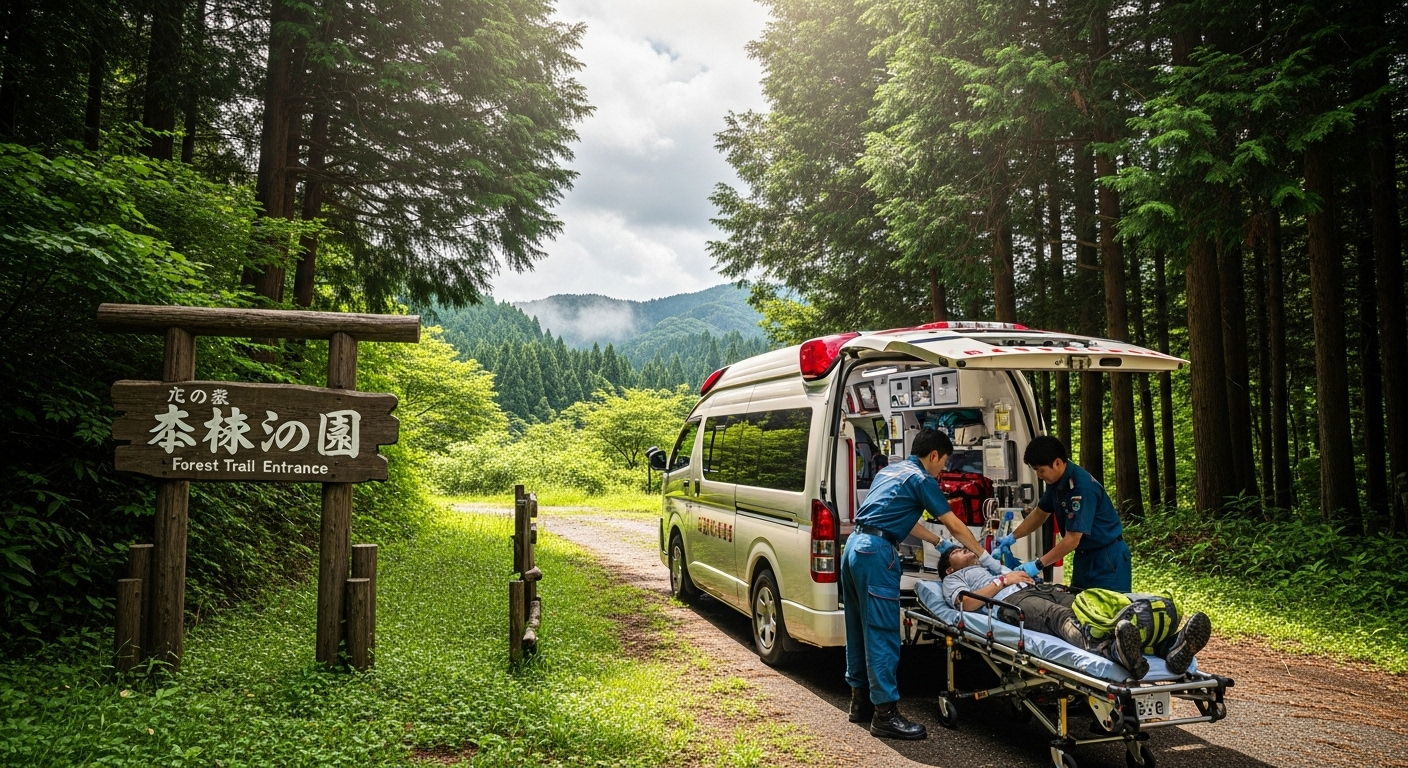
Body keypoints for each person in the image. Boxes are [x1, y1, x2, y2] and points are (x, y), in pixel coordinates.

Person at [842, 428, 986, 740]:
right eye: (943, 462)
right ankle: (885, 715)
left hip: (854, 547)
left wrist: (940, 544)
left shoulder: (891, 471)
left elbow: (904, 518)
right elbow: (955, 524)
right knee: (881, 633)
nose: (943, 469)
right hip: (876, 553)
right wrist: (983, 555)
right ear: (933, 455)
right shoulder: (922, 479)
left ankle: (860, 703)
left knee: (856, 626)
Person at [937, 547, 1212, 679]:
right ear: (950, 568)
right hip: (1014, 600)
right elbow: (966, 604)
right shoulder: (953, 579)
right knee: (1058, 617)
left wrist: (1007, 570)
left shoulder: (988, 566)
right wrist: (1002, 582)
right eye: (957, 552)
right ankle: (1113, 651)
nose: (964, 550)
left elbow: (979, 548)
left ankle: (1168, 647)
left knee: (1093, 605)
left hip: (1042, 588)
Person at [996, 436, 1132, 592]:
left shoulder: (1081, 488)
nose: (1039, 476)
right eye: (1036, 471)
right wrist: (1012, 537)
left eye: (1041, 470)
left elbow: (1072, 539)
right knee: (1080, 605)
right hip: (1084, 556)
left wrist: (1037, 565)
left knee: (1112, 610)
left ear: (1057, 463)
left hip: (1107, 559)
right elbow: (1040, 513)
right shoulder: (1056, 483)